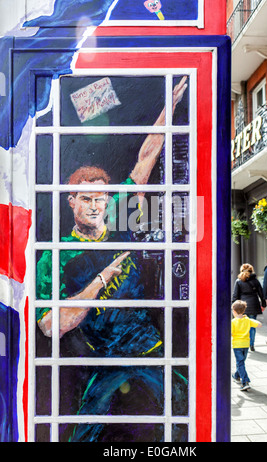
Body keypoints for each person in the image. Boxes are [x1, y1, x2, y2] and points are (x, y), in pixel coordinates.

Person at [36, 77, 188, 442]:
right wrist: (99, 282)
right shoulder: (57, 256)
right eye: (85, 199)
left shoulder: (118, 215)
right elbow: (50, 326)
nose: (94, 205)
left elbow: (146, 157)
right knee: (83, 435)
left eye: (100, 198)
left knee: (182, 419)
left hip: (150, 349)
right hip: (105, 361)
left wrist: (170, 107)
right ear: (70, 201)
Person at [232, 263, 266, 351]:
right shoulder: (255, 281)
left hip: (243, 306)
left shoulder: (238, 281)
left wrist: (234, 306)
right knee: (252, 325)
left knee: (243, 324)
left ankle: (244, 342)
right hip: (254, 304)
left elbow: (235, 295)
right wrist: (263, 304)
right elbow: (261, 294)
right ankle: (251, 344)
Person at [231, 300, 262, 391]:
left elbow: (230, 333)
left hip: (237, 345)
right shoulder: (247, 320)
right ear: (244, 311)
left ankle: (245, 382)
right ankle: (236, 375)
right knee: (241, 362)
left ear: (234, 311)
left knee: (240, 363)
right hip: (246, 345)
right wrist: (251, 320)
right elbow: (259, 325)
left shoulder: (233, 322)